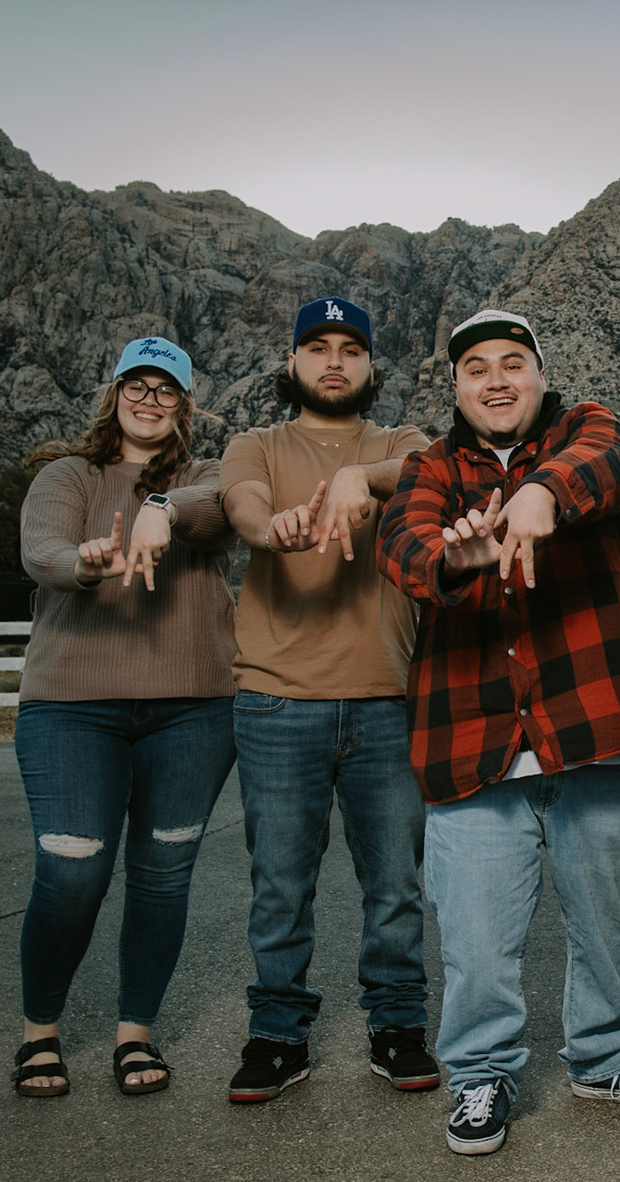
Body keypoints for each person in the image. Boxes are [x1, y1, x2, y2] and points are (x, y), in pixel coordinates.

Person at [376, 309, 620, 1156]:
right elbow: (402, 546)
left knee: (606, 922)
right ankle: (480, 1076)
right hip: (470, 741)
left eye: (513, 362)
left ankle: (605, 1055)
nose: (497, 379)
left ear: (540, 375)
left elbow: (611, 465)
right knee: (476, 941)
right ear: (455, 387)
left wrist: (540, 494)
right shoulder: (430, 468)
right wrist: (456, 559)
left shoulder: (586, 428)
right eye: (476, 368)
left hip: (590, 728)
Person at [217, 297, 436, 1103]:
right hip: (277, 704)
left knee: (396, 885)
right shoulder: (256, 444)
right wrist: (270, 525)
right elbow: (241, 503)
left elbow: (430, 473)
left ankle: (397, 1026)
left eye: (351, 348)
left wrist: (357, 477)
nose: (334, 361)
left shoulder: (400, 442)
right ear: (293, 363)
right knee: (280, 883)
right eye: (318, 347)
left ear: (372, 366)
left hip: (387, 700)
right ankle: (278, 1034)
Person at [11, 336, 237, 1097]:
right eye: (136, 385)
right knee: (72, 871)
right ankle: (40, 1030)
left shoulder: (204, 475)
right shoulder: (67, 475)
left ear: (183, 404)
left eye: (165, 388)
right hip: (72, 707)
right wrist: (82, 562)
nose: (149, 399)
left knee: (163, 874)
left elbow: (219, 512)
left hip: (194, 710)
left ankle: (134, 1034)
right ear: (114, 395)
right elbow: (41, 547)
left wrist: (161, 509)